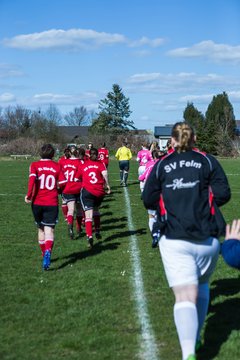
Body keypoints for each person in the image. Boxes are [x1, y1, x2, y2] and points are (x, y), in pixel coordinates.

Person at [142, 122, 231, 360]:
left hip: (174, 238)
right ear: (195, 138)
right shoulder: (207, 161)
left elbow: (148, 198)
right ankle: (197, 335)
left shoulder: (161, 165)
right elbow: (223, 194)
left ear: (171, 140)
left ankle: (188, 353)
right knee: (201, 286)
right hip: (208, 237)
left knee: (183, 295)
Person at [24, 144, 63, 271]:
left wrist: (29, 195)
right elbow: (63, 182)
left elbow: (31, 180)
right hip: (51, 202)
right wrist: (58, 190)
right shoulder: (57, 166)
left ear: (40, 153)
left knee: (41, 229)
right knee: (49, 230)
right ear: (52, 154)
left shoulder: (34, 165)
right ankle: (48, 252)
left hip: (37, 202)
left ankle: (43, 254)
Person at [75, 148, 111, 248]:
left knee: (88, 215)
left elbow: (76, 178)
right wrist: (108, 186)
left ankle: (89, 236)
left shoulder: (84, 164)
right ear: (98, 155)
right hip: (99, 192)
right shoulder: (100, 164)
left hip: (87, 192)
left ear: (89, 155)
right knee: (96, 210)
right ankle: (98, 229)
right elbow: (105, 175)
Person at [59, 145, 83, 240]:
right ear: (77, 152)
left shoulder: (63, 162)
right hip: (78, 187)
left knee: (71, 209)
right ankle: (79, 227)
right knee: (79, 209)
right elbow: (82, 175)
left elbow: (59, 175)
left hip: (67, 188)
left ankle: (70, 226)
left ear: (68, 152)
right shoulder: (80, 162)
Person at [138, 149, 160, 247]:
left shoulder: (150, 164)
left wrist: (140, 178)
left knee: (151, 215)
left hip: (151, 192)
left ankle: (154, 235)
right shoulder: (164, 163)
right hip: (162, 192)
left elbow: (144, 176)